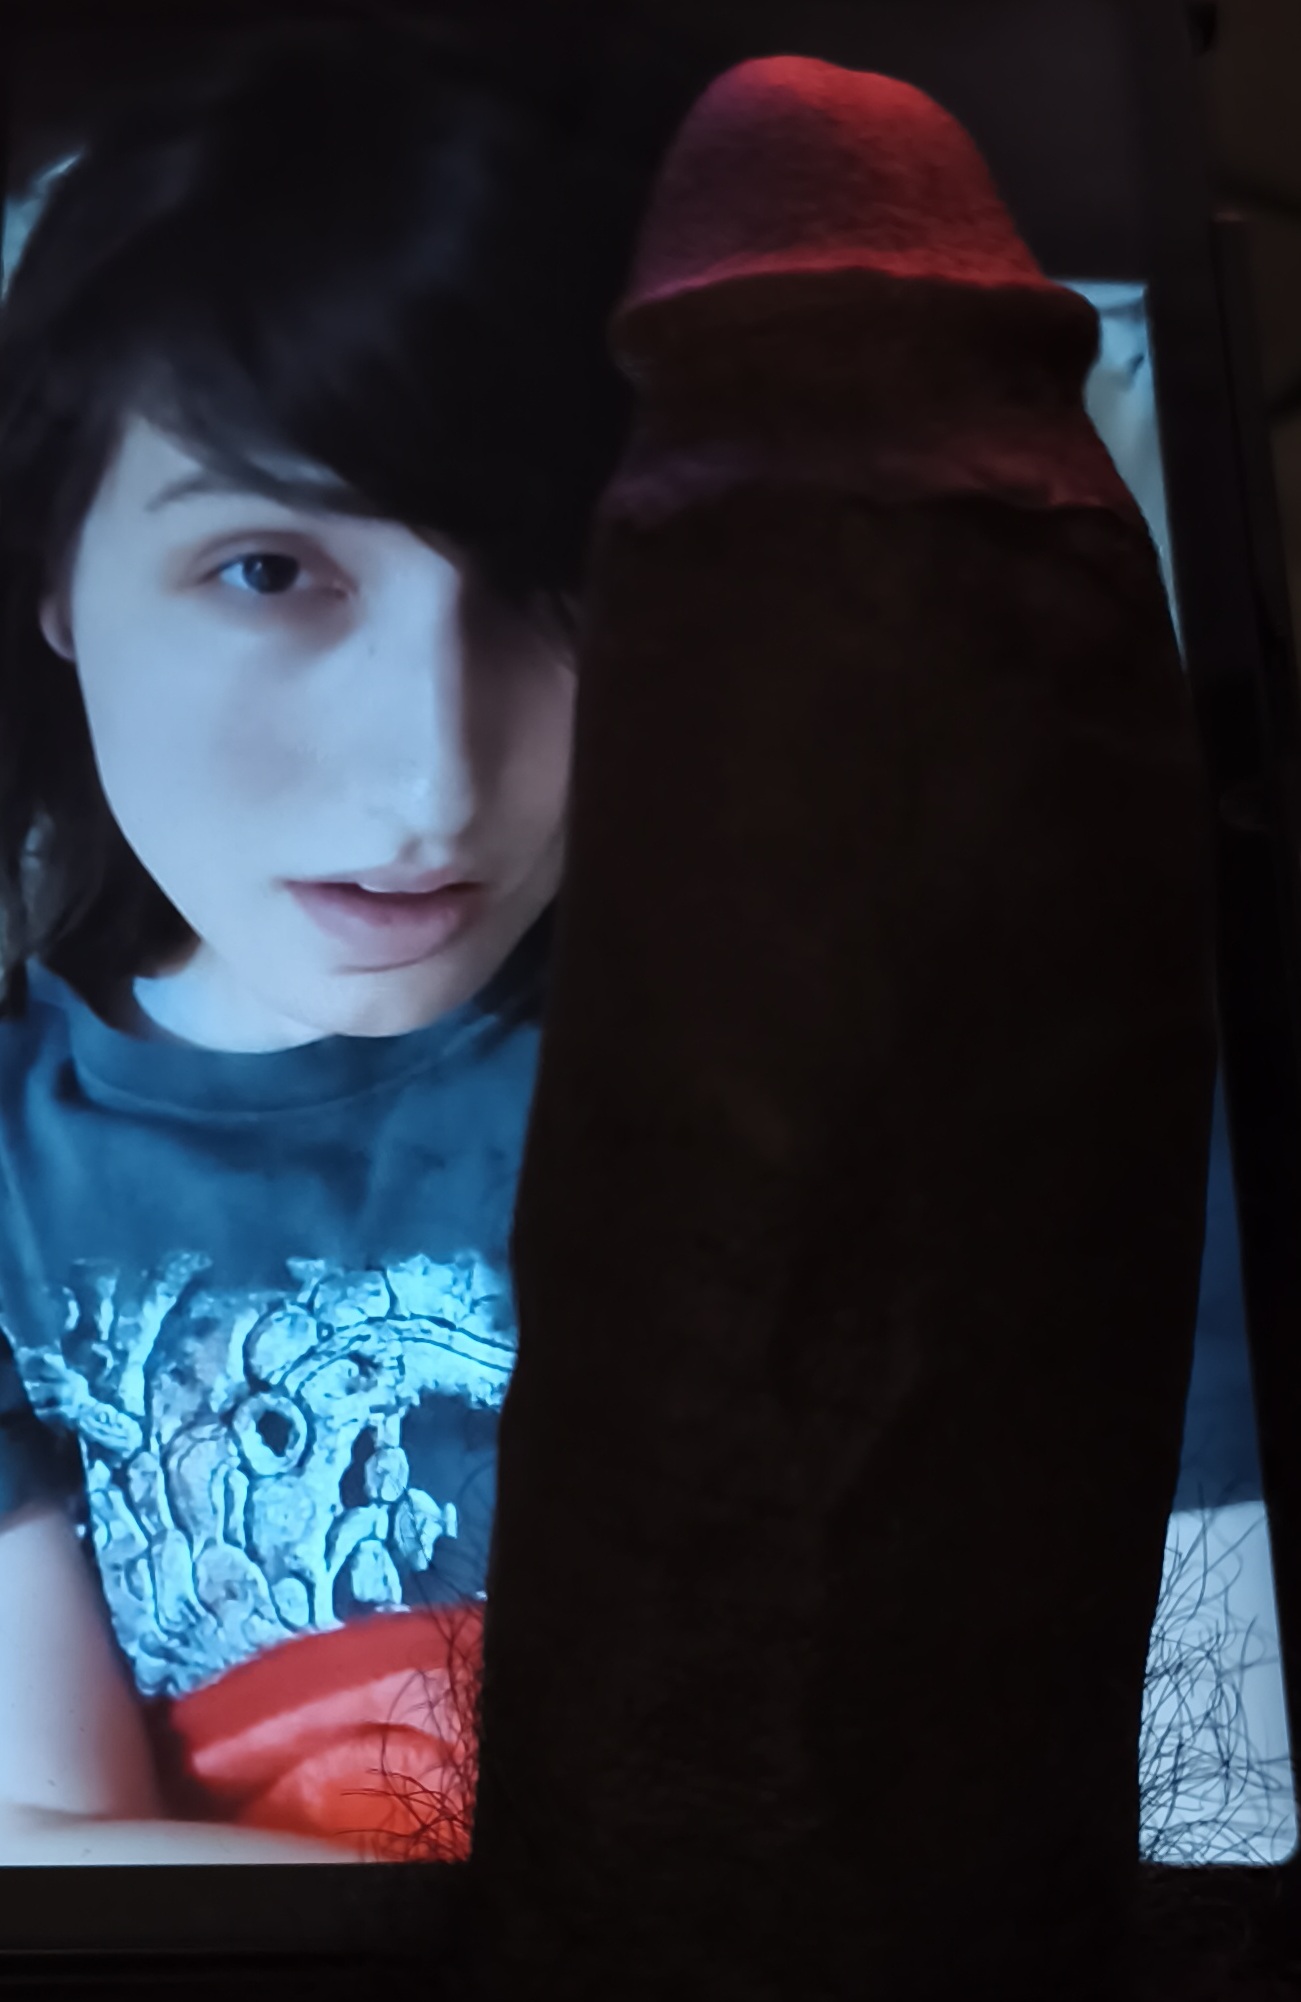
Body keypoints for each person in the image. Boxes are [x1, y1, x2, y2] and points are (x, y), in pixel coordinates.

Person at [0, 18, 636, 1861]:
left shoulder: (821, 1071)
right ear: (55, 571)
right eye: (268, 568)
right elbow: (56, 1844)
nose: (432, 781)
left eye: (556, 585)